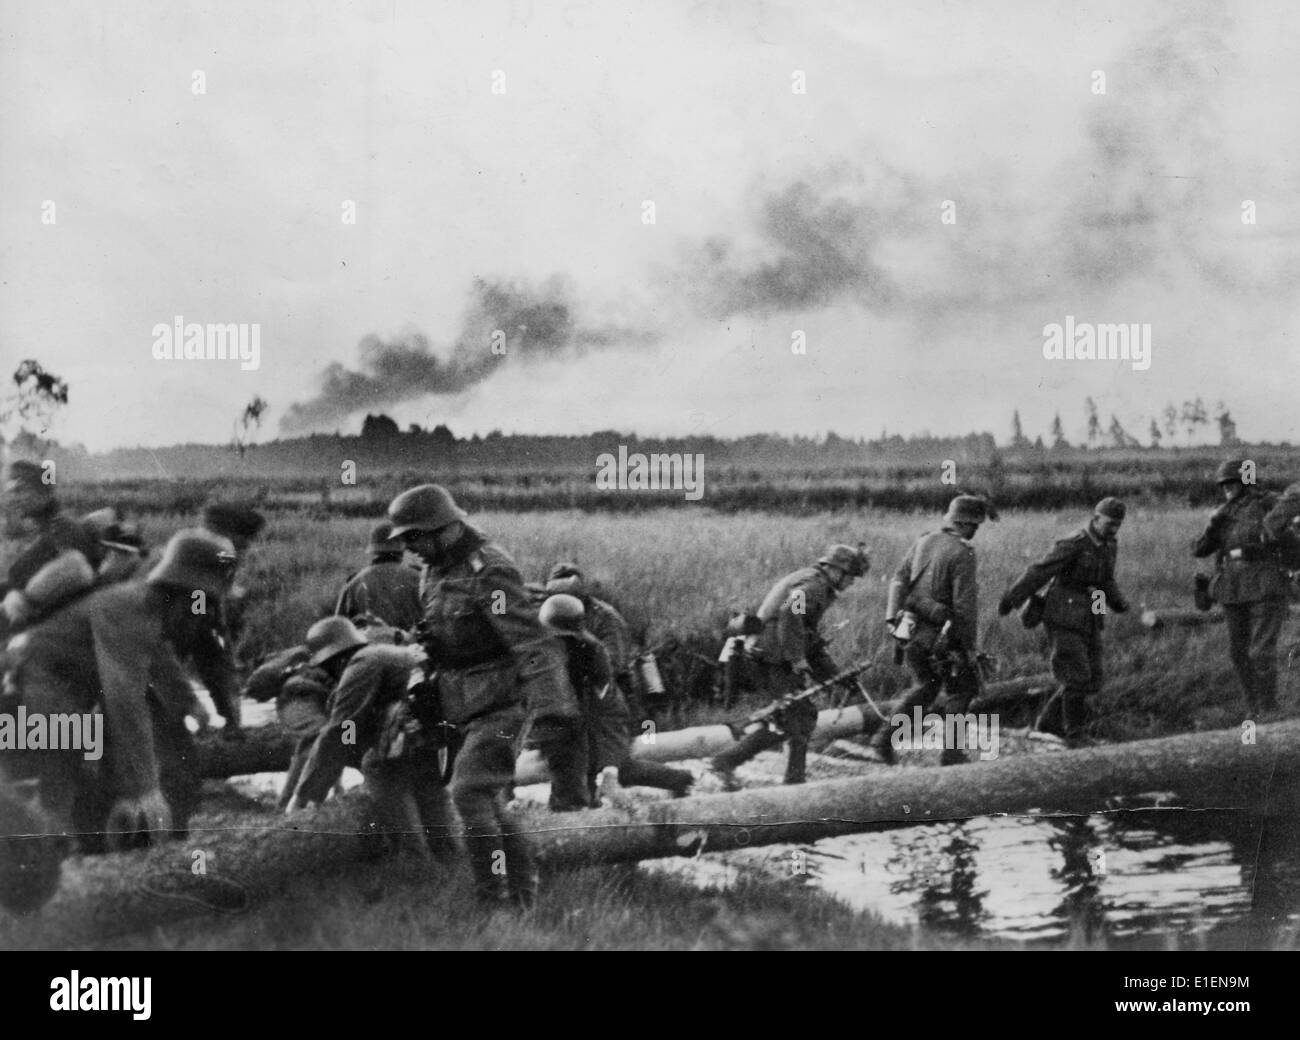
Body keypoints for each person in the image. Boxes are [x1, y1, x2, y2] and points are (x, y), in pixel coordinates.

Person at [0, 530, 238, 904]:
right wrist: (147, 788)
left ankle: (82, 863)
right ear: (177, 587)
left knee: (90, 770)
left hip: (65, 687)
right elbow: (124, 697)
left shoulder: (149, 608)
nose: (201, 610)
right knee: (65, 772)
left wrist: (189, 701)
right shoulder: (127, 607)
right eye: (198, 600)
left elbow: (158, 656)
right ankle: (50, 887)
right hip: (43, 682)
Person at [388, 483, 580, 909]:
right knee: (487, 796)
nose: (410, 549)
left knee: (468, 791)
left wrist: (552, 710)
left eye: (414, 538)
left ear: (444, 529)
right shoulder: (434, 567)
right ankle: (522, 895)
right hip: (461, 701)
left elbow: (530, 642)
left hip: (503, 704)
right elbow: (439, 632)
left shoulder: (488, 571)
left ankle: (493, 901)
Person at [286, 616, 454, 862]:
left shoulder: (362, 662)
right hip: (437, 737)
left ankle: (415, 857)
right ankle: (447, 857)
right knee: (426, 786)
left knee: (377, 768)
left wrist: (303, 795)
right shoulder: (386, 652)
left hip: (415, 732)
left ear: (335, 656)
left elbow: (342, 728)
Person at [711, 543, 869, 788]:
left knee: (793, 717)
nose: (851, 584)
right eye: (850, 578)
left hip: (768, 654)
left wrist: (835, 675)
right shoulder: (815, 586)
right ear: (837, 571)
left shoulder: (813, 581)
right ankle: (743, 767)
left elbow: (806, 636)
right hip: (771, 658)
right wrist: (797, 659)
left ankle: (741, 765)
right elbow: (790, 613)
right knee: (798, 716)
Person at [870, 496, 992, 765]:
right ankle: (952, 753)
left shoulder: (923, 541)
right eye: (974, 524)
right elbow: (965, 608)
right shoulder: (963, 553)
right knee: (963, 689)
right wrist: (969, 648)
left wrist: (893, 619)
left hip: (910, 631)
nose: (976, 530)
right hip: (942, 637)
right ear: (964, 523)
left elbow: (898, 579)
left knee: (926, 687)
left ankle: (882, 739)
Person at [540, 593, 693, 805]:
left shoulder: (593, 653)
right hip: (575, 723)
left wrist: (609, 770)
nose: (559, 642)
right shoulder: (543, 651)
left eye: (564, 638)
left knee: (618, 770)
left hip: (603, 718)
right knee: (583, 775)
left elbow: (606, 710)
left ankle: (682, 780)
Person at [998, 497, 1130, 744]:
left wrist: (1117, 602)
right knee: (1076, 674)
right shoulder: (1074, 543)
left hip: (1091, 614)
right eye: (1109, 523)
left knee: (1093, 678)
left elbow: (1105, 580)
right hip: (1062, 615)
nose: (1113, 529)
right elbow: (1040, 570)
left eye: (1118, 525)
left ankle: (1048, 724)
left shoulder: (1110, 545)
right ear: (1095, 519)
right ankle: (1074, 734)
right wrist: (1012, 598)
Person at [1192, 460, 1290, 717]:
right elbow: (1199, 549)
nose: (1227, 488)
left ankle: (1269, 708)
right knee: (1238, 652)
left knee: (1260, 652)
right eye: (1223, 484)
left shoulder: (1268, 502)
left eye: (1232, 482)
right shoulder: (1223, 513)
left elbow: (1288, 526)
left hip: (1264, 582)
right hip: (1232, 587)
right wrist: (1212, 524)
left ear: (1246, 481)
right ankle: (1253, 708)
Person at [1, 461, 103, 633]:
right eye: (10, 492)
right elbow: (17, 582)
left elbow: (72, 583)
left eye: (20, 490)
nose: (13, 498)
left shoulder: (63, 529)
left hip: (55, 626)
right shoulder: (47, 530)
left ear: (44, 493)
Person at [334, 521, 423, 631]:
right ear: (402, 549)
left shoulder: (354, 582)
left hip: (370, 646)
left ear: (374, 550)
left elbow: (338, 627)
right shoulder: (418, 578)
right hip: (412, 645)